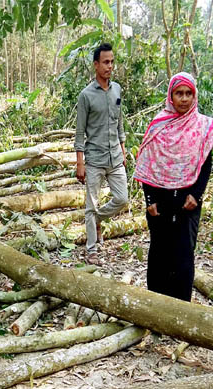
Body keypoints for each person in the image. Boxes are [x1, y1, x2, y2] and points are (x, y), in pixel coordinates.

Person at [133, 72, 213, 302]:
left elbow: (206, 165)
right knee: (160, 251)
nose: (184, 99)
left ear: (194, 95)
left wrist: (196, 195)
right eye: (179, 93)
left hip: (188, 200)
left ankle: (181, 308)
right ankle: (157, 305)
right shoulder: (158, 126)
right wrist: (149, 200)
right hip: (160, 199)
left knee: (183, 253)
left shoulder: (202, 127)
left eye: (188, 93)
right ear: (171, 96)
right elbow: (147, 163)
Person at [75, 43, 129, 266]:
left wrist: (124, 150)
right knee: (91, 204)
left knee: (122, 198)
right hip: (95, 158)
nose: (110, 66)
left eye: (112, 61)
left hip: (115, 156)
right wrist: (80, 163)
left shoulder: (117, 90)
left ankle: (97, 219)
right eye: (106, 62)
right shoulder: (85, 96)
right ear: (96, 65)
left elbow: (119, 124)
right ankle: (91, 250)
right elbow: (80, 132)